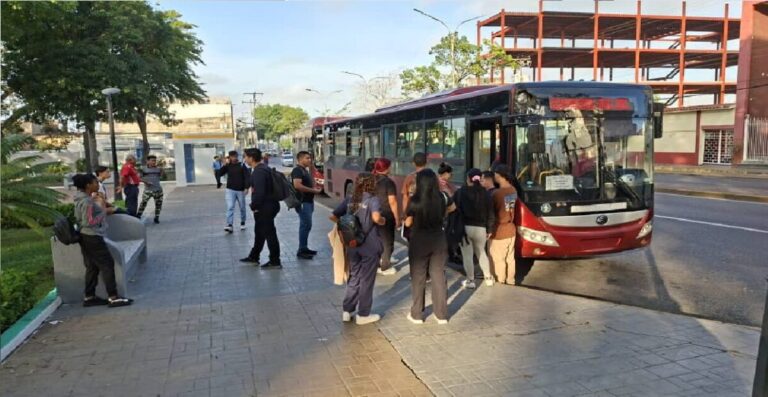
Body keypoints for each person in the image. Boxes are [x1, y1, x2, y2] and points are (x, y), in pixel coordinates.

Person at [330, 172, 386, 325]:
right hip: (369, 245)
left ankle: (347, 311)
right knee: (367, 280)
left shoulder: (350, 199)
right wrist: (382, 221)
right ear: (371, 184)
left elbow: (333, 216)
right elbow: (375, 218)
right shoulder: (373, 199)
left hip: (352, 245)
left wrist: (347, 229)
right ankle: (363, 314)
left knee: (354, 277)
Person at [72, 174, 132, 308]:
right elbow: (90, 221)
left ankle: (89, 296)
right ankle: (113, 297)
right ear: (88, 185)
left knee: (92, 267)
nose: (97, 184)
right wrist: (105, 211)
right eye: (94, 182)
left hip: (85, 236)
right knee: (107, 264)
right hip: (92, 236)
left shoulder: (82, 198)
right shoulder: (87, 201)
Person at [404, 169, 455, 325]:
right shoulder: (443, 197)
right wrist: (441, 214)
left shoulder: (415, 200)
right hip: (439, 239)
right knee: (438, 276)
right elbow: (453, 208)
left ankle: (417, 314)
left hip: (419, 241)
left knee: (418, 277)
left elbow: (408, 223)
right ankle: (441, 315)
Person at [454, 169, 496, 289]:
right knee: (481, 253)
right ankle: (488, 278)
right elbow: (491, 213)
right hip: (481, 229)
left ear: (468, 179)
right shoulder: (486, 194)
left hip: (465, 227)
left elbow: (454, 208)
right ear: (480, 179)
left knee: (467, 255)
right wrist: (490, 229)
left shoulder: (461, 192)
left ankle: (470, 280)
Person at [240, 148, 282, 268]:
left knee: (269, 234)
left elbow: (259, 192)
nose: (245, 159)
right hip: (270, 205)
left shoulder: (259, 171)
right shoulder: (264, 168)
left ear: (251, 158)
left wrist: (254, 206)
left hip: (265, 207)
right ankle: (254, 256)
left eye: (246, 157)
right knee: (259, 232)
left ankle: (275, 261)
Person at [489, 164, 519, 285]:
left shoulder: (496, 194)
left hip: (499, 230)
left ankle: (500, 282)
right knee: (510, 259)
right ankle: (511, 280)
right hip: (511, 228)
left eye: (495, 174)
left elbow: (491, 213)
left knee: (498, 259)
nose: (494, 176)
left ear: (500, 176)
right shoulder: (513, 190)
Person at [292, 151, 323, 259]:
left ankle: (304, 247)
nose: (309, 160)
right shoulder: (297, 170)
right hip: (303, 202)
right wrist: (313, 191)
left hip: (308, 202)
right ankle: (301, 250)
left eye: (310, 158)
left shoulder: (304, 170)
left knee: (305, 225)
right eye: (307, 158)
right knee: (306, 225)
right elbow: (297, 185)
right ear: (300, 159)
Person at [372, 158, 399, 275]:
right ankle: (385, 267)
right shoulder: (389, 183)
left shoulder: (371, 179)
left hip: (373, 214)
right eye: (390, 166)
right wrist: (397, 218)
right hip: (386, 215)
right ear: (386, 168)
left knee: (377, 240)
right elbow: (392, 202)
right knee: (388, 241)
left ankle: (379, 261)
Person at [216, 150, 250, 233]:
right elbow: (219, 174)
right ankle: (229, 225)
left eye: (235, 156)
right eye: (232, 156)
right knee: (230, 207)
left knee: (242, 207)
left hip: (241, 190)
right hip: (230, 190)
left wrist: (246, 188)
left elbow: (247, 177)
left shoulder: (242, 165)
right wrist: (224, 165)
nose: (234, 158)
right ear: (230, 157)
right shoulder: (228, 166)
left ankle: (242, 222)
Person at [137, 155, 164, 224]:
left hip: (158, 190)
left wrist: (162, 170)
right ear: (147, 161)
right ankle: (138, 216)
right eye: (152, 160)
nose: (154, 162)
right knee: (143, 203)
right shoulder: (143, 169)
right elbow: (138, 178)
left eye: (155, 160)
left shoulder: (158, 169)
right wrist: (145, 182)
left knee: (158, 205)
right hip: (148, 190)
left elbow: (161, 176)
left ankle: (156, 218)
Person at [401, 152, 427, 220]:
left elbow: (405, 197)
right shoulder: (432, 177)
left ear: (413, 163)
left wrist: (404, 212)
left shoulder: (409, 178)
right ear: (426, 162)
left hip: (412, 211)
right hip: (427, 210)